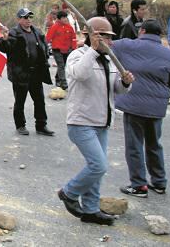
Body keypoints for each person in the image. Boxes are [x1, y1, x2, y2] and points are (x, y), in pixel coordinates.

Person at [58, 17, 134, 226]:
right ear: (93, 36)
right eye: (106, 38)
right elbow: (80, 75)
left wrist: (125, 83)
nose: (110, 42)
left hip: (102, 121)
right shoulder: (78, 55)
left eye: (110, 38)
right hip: (81, 122)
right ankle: (69, 192)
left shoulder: (109, 60)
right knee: (98, 165)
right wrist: (92, 49)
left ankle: (90, 209)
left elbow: (115, 89)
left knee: (96, 169)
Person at [111, 19, 170, 196]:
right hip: (156, 107)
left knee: (134, 145)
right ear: (160, 35)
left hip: (133, 104)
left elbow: (107, 46)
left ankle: (139, 184)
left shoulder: (126, 45)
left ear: (142, 31)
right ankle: (159, 182)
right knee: (154, 144)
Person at [0, 8, 55, 136]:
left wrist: (45, 58)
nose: (28, 19)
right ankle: (20, 125)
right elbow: (4, 48)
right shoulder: (13, 33)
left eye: (30, 17)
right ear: (19, 19)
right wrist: (4, 38)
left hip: (36, 73)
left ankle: (41, 125)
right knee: (20, 101)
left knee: (40, 101)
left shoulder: (37, 32)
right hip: (21, 73)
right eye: (25, 17)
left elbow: (44, 46)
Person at [46, 10, 77, 90]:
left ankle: (57, 78)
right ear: (59, 19)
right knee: (61, 65)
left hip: (67, 50)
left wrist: (73, 48)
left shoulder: (69, 27)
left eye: (65, 17)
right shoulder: (54, 27)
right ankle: (63, 83)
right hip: (57, 50)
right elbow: (48, 38)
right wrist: (45, 47)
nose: (65, 19)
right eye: (63, 17)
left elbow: (73, 38)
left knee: (62, 66)